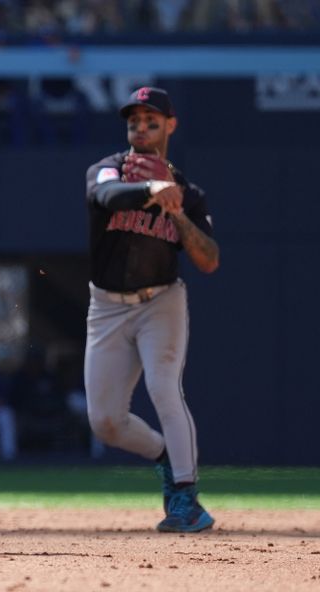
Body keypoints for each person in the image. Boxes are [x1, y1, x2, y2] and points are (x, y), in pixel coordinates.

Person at [84, 87, 220, 533]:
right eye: (134, 121)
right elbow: (105, 197)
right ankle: (165, 454)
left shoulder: (189, 193)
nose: (141, 128)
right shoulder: (108, 170)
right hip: (106, 306)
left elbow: (209, 260)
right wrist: (148, 188)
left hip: (161, 301)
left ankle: (186, 497)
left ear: (170, 125)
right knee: (105, 422)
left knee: (164, 387)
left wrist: (175, 207)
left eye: (152, 120)